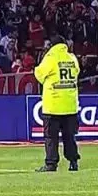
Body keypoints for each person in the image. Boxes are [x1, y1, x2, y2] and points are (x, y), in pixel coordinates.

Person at [34, 40, 80, 172]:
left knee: (51, 137)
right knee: (69, 136)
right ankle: (73, 162)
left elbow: (39, 74)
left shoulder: (50, 58)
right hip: (70, 104)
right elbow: (76, 72)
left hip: (53, 104)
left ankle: (51, 164)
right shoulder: (72, 58)